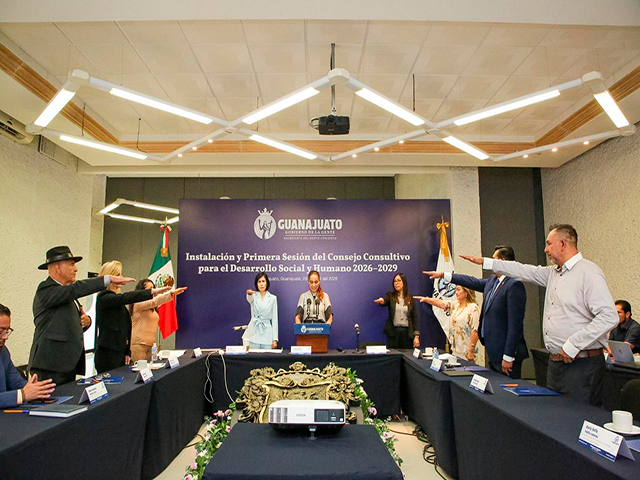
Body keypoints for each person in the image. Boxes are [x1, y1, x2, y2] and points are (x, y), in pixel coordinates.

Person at [459, 224, 618, 407]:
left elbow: (609, 317)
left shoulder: (588, 272)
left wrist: (575, 343)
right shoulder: (553, 273)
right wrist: (488, 263)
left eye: (549, 244)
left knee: (579, 417)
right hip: (556, 365)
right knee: (556, 417)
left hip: (582, 365)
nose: (545, 249)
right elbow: (523, 270)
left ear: (563, 244)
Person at [28, 246, 134, 385]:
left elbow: (65, 323)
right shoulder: (46, 289)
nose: (76, 269)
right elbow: (76, 289)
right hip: (50, 365)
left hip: (66, 365)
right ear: (58, 267)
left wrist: (86, 321)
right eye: (72, 264)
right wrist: (106, 279)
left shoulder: (66, 293)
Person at [424, 245, 528, 378]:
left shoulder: (513, 285)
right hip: (493, 350)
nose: (491, 262)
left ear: (503, 261)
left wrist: (508, 356)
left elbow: (515, 325)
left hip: (506, 354)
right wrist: (444, 275)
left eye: (494, 259)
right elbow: (472, 281)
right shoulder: (493, 281)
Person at [95, 261, 170, 373]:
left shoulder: (115, 300)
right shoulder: (104, 297)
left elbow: (125, 327)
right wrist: (152, 292)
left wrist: (127, 352)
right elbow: (127, 297)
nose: (121, 277)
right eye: (118, 275)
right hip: (108, 354)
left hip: (120, 352)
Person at [1, 303, 56, 408]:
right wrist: (22, 395)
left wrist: (34, 388)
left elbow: (15, 381)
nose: (6, 337)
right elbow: (22, 394)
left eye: (7, 331)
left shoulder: (3, 351)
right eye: (0, 331)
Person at [417, 286, 483, 363]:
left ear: (466, 292)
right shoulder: (456, 305)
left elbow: (475, 331)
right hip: (455, 350)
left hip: (467, 352)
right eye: (456, 290)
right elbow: (441, 303)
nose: (456, 293)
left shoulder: (473, 308)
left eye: (459, 290)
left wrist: (471, 351)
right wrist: (427, 299)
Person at [130, 279, 187, 362]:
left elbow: (154, 302)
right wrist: (171, 293)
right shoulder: (138, 303)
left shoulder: (152, 308)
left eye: (154, 288)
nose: (153, 290)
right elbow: (154, 301)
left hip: (151, 345)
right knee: (139, 368)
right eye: (150, 288)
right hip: (139, 345)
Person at [374, 273, 420, 349]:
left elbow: (414, 318)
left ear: (404, 282)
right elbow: (385, 300)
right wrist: (382, 301)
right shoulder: (390, 296)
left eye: (399, 280)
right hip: (393, 333)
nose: (396, 283)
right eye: (395, 281)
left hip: (407, 334)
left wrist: (416, 335)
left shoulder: (410, 298)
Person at [243, 272, 279, 349]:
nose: (261, 284)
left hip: (267, 333)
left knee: (267, 356)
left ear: (267, 283)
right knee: (253, 355)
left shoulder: (273, 298)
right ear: (256, 284)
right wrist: (249, 293)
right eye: (259, 282)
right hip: (254, 332)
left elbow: (274, 319)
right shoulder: (253, 296)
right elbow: (249, 299)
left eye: (263, 281)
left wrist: (275, 339)